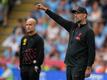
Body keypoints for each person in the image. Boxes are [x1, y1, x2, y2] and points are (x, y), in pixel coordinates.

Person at [35, 4, 95, 80]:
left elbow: (92, 50)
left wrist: (89, 67)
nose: (75, 15)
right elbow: (59, 19)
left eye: (78, 13)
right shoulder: (73, 26)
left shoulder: (89, 31)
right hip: (69, 64)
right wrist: (45, 9)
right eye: (75, 13)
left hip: (79, 66)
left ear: (84, 15)